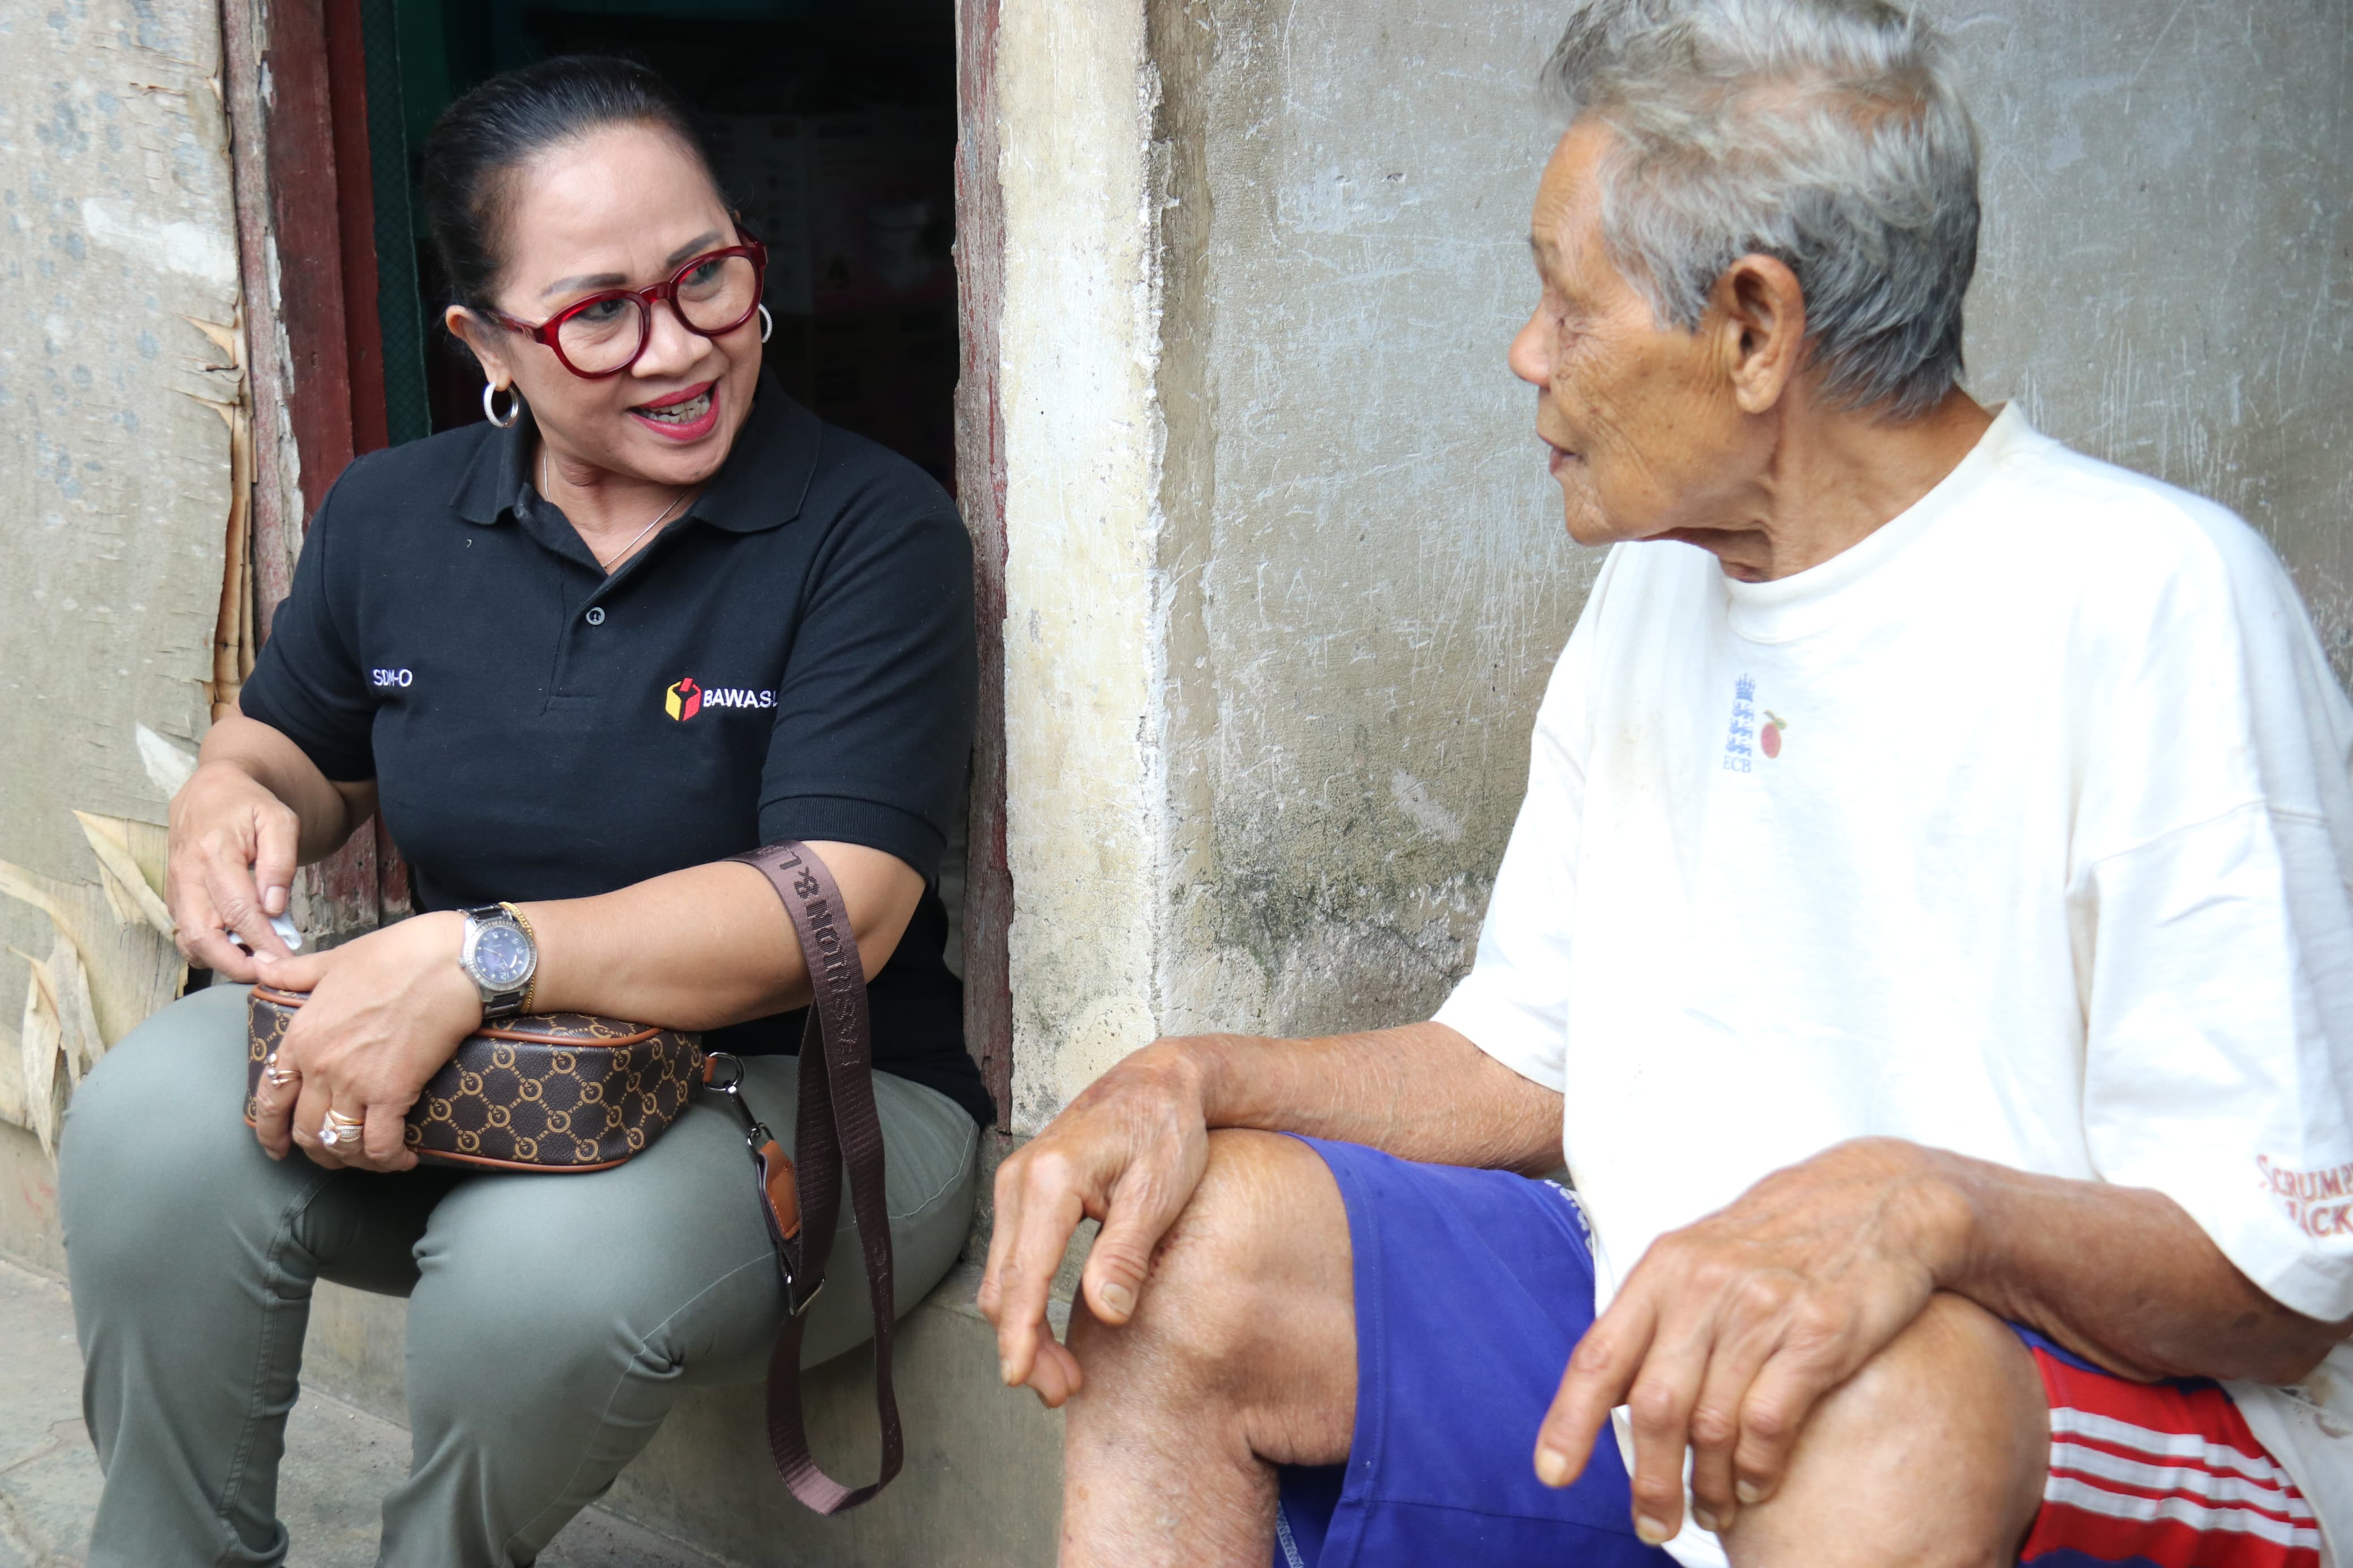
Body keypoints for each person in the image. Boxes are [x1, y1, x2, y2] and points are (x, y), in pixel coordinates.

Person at [977, 3, 2353, 1567]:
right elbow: (1522, 1064)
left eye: (1568, 303)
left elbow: (2282, 1284)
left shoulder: (2155, 601)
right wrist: (1189, 1078)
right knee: (1185, 1255)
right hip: (1666, 1375)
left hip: (2049, 1419)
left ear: (1756, 330)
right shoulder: (1662, 577)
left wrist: (1920, 1211)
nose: (1528, 352)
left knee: (1861, 1402)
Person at [57, 55, 986, 1567]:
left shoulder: (869, 531)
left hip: (808, 1093)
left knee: (535, 1262)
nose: (679, 347)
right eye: (599, 311)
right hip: (502, 1075)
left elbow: (840, 906)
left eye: (707, 276)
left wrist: (472, 956)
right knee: (148, 1122)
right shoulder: (394, 514)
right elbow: (293, 747)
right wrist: (230, 796)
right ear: (485, 341)